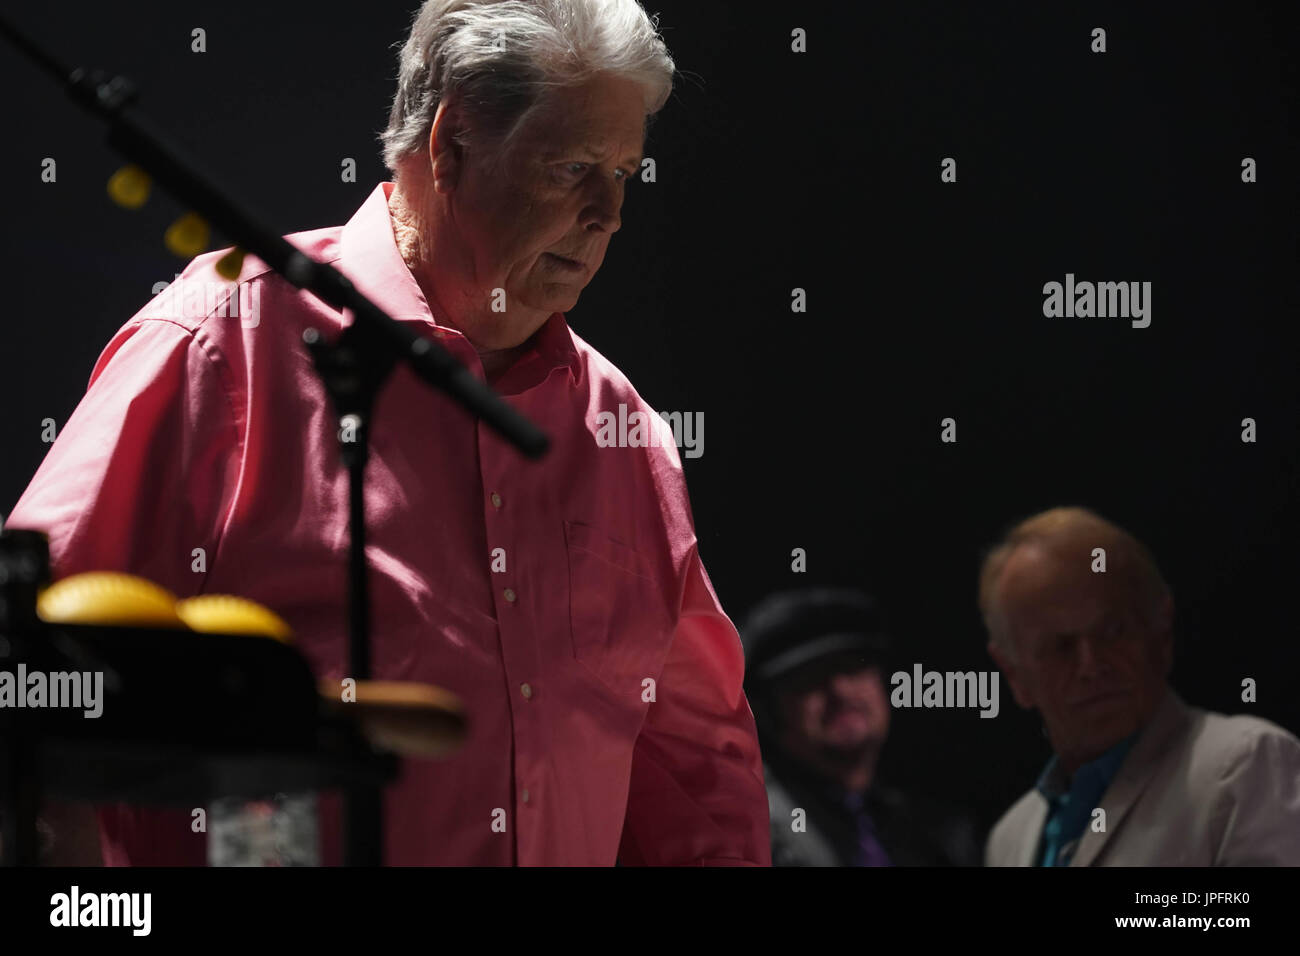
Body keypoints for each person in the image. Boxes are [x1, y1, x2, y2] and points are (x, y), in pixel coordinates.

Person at [5, 0, 770, 866]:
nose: (610, 213)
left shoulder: (623, 430)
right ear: (450, 145)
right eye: (574, 167)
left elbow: (698, 776)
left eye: (626, 173)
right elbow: (26, 673)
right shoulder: (223, 341)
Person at [980, 506, 1300, 866]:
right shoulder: (1009, 838)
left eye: (1112, 631)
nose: (1091, 666)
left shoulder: (1247, 766)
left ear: (1161, 632)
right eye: (1060, 647)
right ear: (1013, 674)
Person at [741, 588, 979, 866]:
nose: (840, 690)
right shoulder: (748, 834)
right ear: (766, 710)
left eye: (853, 668)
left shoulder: (941, 835)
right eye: (810, 677)